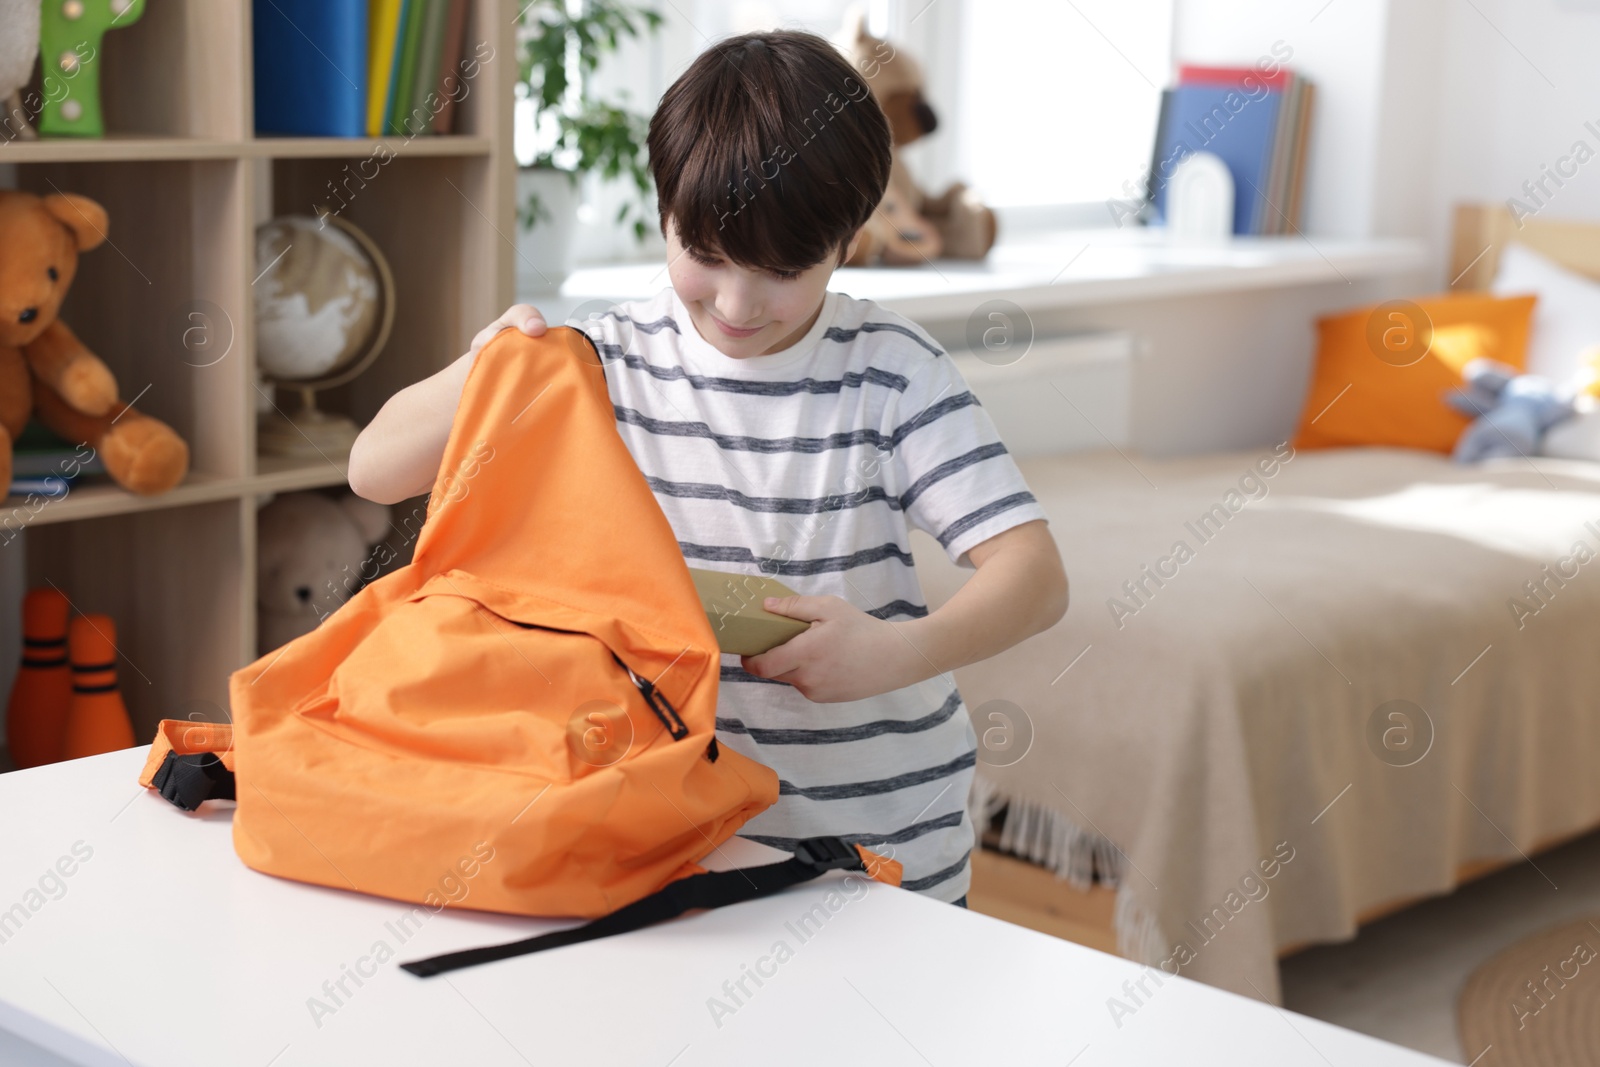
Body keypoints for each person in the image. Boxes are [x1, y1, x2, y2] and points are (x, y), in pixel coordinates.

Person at [347, 29, 1068, 906]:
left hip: (884, 852)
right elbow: (374, 470)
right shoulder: (599, 357)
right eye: (706, 255)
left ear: (847, 239)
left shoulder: (894, 372)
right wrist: (485, 366)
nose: (735, 302)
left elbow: (1036, 578)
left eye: (781, 271)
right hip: (674, 841)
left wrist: (895, 652)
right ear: (665, 213)